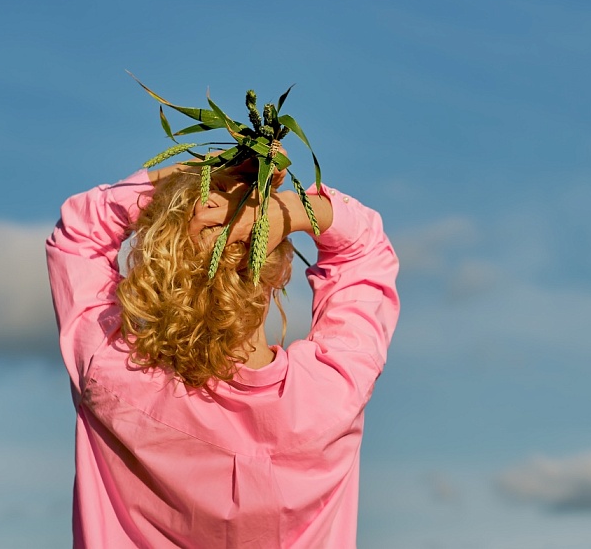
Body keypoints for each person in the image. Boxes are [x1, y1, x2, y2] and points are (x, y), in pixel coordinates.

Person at [45, 154, 400, 548]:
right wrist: (289, 209)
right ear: (277, 270)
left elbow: (79, 235)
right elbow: (364, 251)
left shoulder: (113, 374)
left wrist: (195, 172)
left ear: (161, 268)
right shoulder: (333, 392)